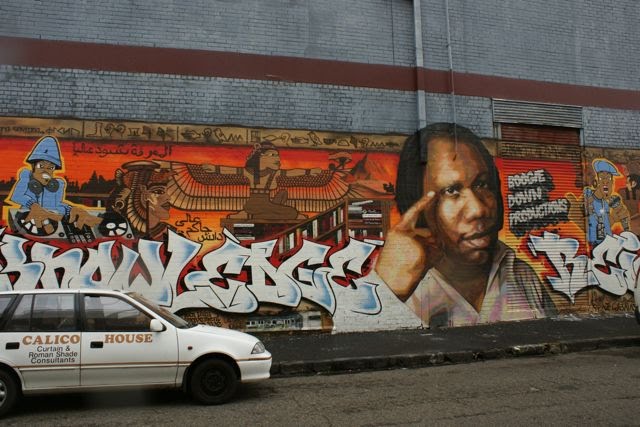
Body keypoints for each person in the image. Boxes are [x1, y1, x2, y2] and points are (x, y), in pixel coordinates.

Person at [374, 123, 556, 327]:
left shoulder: (518, 273)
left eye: (482, 185)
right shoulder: (401, 290)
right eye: (451, 190)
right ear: (418, 209)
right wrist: (388, 292)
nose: (477, 210)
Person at [8, 136, 100, 235]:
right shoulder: (26, 176)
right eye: (41, 166)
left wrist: (71, 209)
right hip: (25, 225)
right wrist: (33, 205)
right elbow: (16, 196)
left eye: (50, 167)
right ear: (33, 166)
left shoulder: (56, 186)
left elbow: (57, 206)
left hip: (49, 227)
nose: (45, 170)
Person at [583, 159, 630, 246]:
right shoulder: (588, 194)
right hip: (591, 246)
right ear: (596, 182)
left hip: (607, 245)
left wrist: (617, 216)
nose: (606, 182)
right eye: (602, 179)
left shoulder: (606, 204)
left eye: (610, 180)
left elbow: (605, 225)